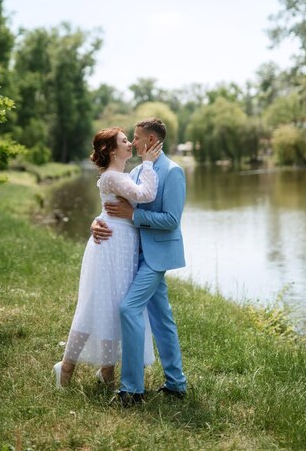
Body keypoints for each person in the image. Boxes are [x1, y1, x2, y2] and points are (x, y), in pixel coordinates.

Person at [53, 127, 163, 389]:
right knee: (95, 306)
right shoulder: (113, 177)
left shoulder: (120, 175)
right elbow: (146, 195)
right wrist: (148, 163)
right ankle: (65, 368)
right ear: (112, 150)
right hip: (109, 246)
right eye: (124, 141)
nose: (129, 144)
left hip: (122, 246)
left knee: (114, 307)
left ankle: (107, 372)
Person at [92, 117, 187, 406]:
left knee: (128, 308)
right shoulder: (135, 173)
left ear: (152, 141)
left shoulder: (173, 172)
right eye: (130, 138)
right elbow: (114, 207)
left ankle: (132, 390)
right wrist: (95, 224)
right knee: (161, 318)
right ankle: (176, 383)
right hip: (134, 253)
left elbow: (171, 221)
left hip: (156, 257)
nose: (133, 143)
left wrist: (134, 216)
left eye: (137, 137)